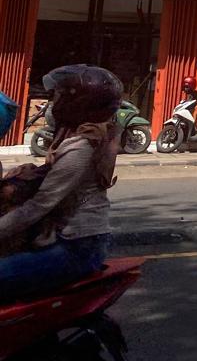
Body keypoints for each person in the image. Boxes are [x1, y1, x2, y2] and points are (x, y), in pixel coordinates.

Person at [0, 65, 122, 302]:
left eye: (57, 96)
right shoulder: (74, 139)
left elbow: (39, 205)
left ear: (77, 104)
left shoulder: (81, 147)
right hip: (69, 240)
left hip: (77, 247)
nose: (52, 103)